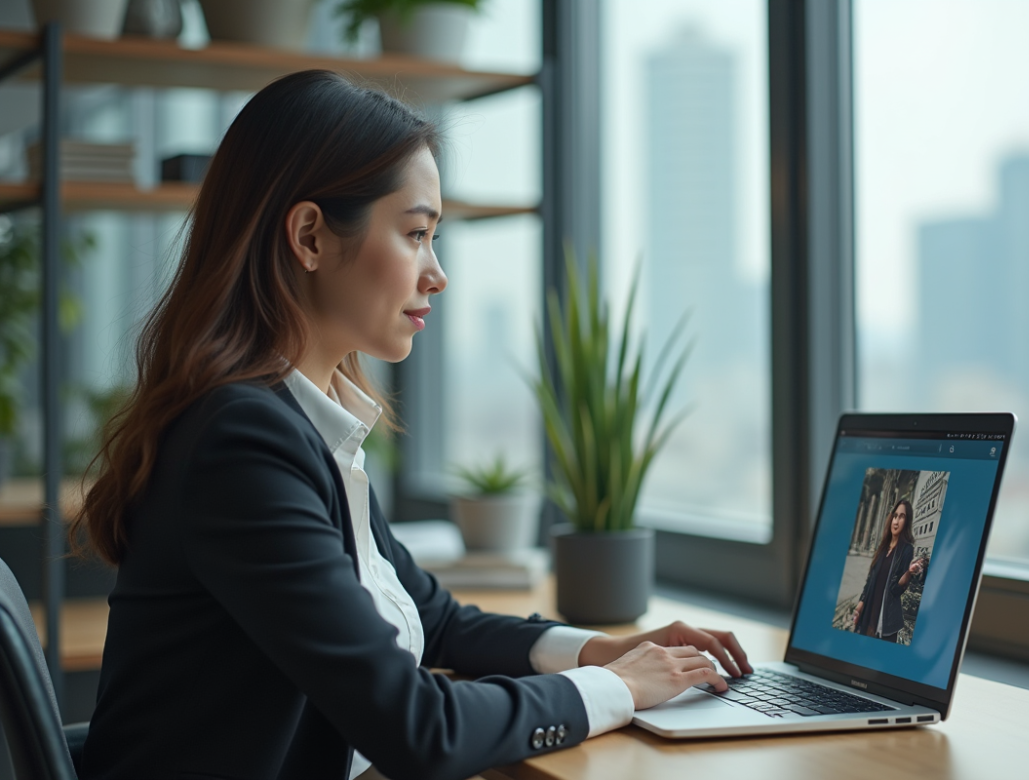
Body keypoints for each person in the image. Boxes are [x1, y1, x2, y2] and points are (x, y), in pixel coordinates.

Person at [72, 70, 752, 780]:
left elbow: (438, 621)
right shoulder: (242, 444)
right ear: (309, 236)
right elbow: (418, 729)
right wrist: (621, 689)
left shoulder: (300, 424)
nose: (438, 274)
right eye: (416, 234)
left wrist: (601, 651)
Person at [851, 499, 925, 643]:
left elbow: (897, 589)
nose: (896, 521)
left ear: (907, 521)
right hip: (868, 615)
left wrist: (909, 572)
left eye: (901, 517)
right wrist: (861, 602)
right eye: (895, 516)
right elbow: (870, 579)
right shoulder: (883, 547)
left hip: (885, 621)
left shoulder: (906, 549)